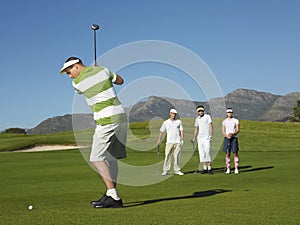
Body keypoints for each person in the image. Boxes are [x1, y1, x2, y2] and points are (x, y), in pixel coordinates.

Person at [60, 57, 127, 208]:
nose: (69, 76)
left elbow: (80, 88)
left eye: (69, 71)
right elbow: (121, 81)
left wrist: (93, 71)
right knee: (111, 159)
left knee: (96, 158)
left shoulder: (77, 83)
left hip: (106, 120)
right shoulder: (103, 70)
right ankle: (111, 193)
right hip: (121, 117)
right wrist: (98, 70)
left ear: (76, 66)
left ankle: (113, 196)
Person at [157, 109, 184, 176]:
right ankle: (166, 170)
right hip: (169, 142)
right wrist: (159, 140)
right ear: (170, 113)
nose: (173, 115)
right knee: (167, 156)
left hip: (177, 142)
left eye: (175, 114)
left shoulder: (178, 122)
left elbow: (181, 131)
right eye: (172, 113)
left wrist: (182, 139)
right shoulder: (166, 122)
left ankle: (177, 170)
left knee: (177, 156)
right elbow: (161, 132)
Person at [192, 105, 213, 174]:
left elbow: (210, 126)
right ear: (198, 112)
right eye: (199, 111)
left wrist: (210, 135)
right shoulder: (197, 119)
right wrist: (194, 138)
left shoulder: (207, 116)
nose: (200, 112)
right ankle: (204, 168)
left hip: (206, 138)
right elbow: (196, 129)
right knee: (202, 153)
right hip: (200, 138)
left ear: (203, 111)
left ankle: (209, 168)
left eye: (201, 111)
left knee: (207, 152)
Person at [222, 108, 240, 174]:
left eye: (230, 112)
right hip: (227, 138)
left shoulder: (235, 120)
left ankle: (236, 169)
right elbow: (223, 131)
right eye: (228, 112)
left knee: (235, 152)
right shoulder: (224, 121)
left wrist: (232, 134)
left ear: (232, 113)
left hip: (234, 137)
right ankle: (228, 169)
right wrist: (227, 136)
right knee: (227, 153)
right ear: (227, 113)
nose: (229, 113)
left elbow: (237, 130)